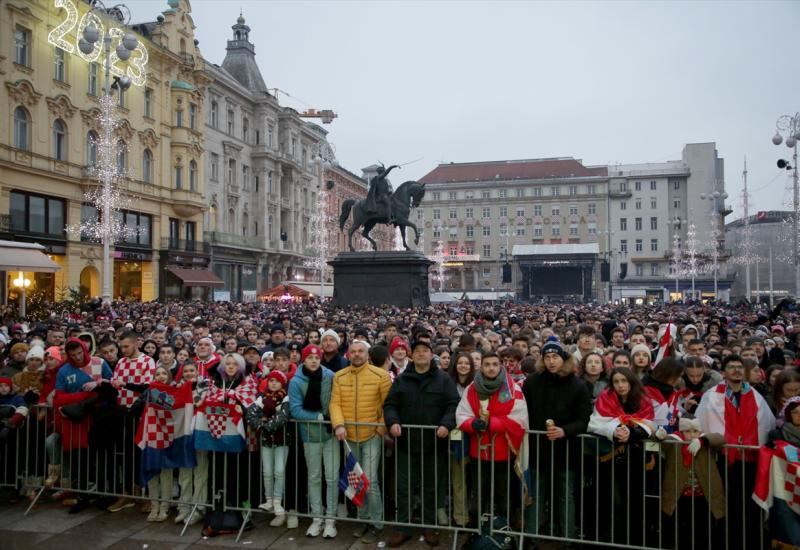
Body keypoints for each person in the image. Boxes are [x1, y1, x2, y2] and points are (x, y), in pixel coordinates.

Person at [383, 339, 460, 548]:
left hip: (434, 445)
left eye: (425, 351)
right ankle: (403, 527)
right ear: (412, 355)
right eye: (417, 351)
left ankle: (429, 525)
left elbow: (453, 404)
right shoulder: (401, 380)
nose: (421, 354)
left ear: (431, 354)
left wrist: (446, 423)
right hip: (406, 444)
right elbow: (390, 405)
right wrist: (393, 421)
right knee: (404, 488)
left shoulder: (443, 379)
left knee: (431, 488)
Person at [696, 354, 776, 550]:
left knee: (749, 505)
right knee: (726, 504)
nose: (736, 370)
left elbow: (767, 423)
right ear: (724, 372)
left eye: (739, 367)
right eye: (731, 367)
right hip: (723, 458)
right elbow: (702, 422)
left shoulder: (756, 396)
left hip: (750, 460)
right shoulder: (712, 395)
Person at [523, 339, 591, 543]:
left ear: (564, 359)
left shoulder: (577, 385)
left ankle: (568, 538)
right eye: (547, 357)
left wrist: (565, 430)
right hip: (538, 450)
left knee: (565, 497)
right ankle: (532, 538)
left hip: (566, 451)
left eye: (556, 357)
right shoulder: (533, 382)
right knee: (535, 497)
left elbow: (584, 419)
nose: (552, 361)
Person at [329, 339, 391, 544]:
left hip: (371, 435)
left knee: (371, 480)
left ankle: (377, 523)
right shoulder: (339, 376)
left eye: (360, 351)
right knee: (357, 480)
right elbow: (335, 403)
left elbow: (387, 404)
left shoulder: (380, 375)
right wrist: (338, 424)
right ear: (349, 354)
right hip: (349, 437)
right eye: (353, 351)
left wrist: (381, 427)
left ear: (367, 354)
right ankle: (363, 519)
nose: (357, 354)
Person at [455, 352, 528, 520]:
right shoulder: (472, 388)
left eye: (495, 364)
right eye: (487, 364)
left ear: (500, 365)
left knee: (504, 496)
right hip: (478, 452)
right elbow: (461, 415)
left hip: (503, 452)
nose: (491, 368)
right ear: (481, 366)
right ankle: (477, 532)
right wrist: (473, 424)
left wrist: (492, 423)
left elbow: (519, 419)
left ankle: (504, 533)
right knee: (478, 496)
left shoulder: (512, 388)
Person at [588, 367, 655, 546]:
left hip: (637, 458)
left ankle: (634, 541)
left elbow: (650, 424)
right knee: (614, 502)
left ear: (631, 381)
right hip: (610, 458)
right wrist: (614, 430)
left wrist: (631, 432)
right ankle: (613, 540)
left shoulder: (643, 399)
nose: (620, 385)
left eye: (624, 381)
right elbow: (595, 423)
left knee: (634, 501)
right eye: (616, 381)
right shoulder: (605, 397)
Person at [288, 344, 339, 539]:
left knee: (332, 477)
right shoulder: (296, 381)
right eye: (309, 357)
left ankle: (330, 519)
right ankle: (317, 517)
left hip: (330, 434)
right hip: (310, 435)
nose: (314, 361)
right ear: (304, 359)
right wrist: (319, 417)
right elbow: (295, 410)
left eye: (317, 358)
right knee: (314, 477)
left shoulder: (330, 376)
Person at [108, 330, 156, 513]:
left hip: (139, 414)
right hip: (123, 412)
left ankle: (146, 495)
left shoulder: (147, 361)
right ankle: (128, 493)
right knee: (127, 455)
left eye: (126, 346)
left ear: (136, 344)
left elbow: (147, 387)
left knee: (141, 455)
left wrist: (124, 384)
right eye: (121, 347)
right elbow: (116, 382)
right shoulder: (120, 362)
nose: (123, 350)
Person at [661, 415, 725, 550]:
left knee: (702, 530)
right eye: (688, 431)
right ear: (682, 432)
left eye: (695, 431)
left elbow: (720, 438)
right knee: (682, 530)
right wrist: (659, 434)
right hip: (680, 496)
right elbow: (661, 439)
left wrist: (702, 441)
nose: (692, 435)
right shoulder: (675, 442)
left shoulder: (705, 441)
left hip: (703, 496)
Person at [249, 370, 291, 526]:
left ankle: (278, 500)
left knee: (279, 471)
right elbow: (251, 413)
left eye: (277, 381)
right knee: (267, 471)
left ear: (282, 383)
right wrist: (261, 424)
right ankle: (269, 500)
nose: (273, 383)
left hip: (282, 440)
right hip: (266, 440)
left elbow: (283, 416)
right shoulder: (262, 397)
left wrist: (266, 424)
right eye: (271, 380)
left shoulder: (285, 397)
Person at [174, 362, 208, 526]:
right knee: (184, 473)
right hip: (183, 433)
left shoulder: (203, 385)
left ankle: (199, 507)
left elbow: (199, 403)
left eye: (191, 371)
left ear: (197, 371)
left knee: (200, 472)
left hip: (198, 431)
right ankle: (184, 506)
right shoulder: (178, 387)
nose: (189, 373)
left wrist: (191, 387)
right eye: (186, 371)